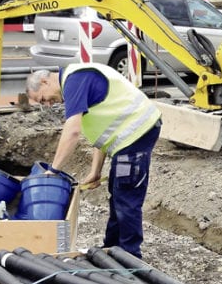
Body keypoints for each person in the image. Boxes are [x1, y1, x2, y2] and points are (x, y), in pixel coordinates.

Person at [25, 63, 162, 259]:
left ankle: (131, 258)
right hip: (128, 139)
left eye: (43, 99)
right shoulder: (75, 81)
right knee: (117, 193)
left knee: (126, 198)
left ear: (45, 81)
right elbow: (103, 132)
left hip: (137, 133)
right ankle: (111, 250)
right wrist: (96, 170)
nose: (48, 104)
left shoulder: (75, 81)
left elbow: (72, 131)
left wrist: (54, 170)